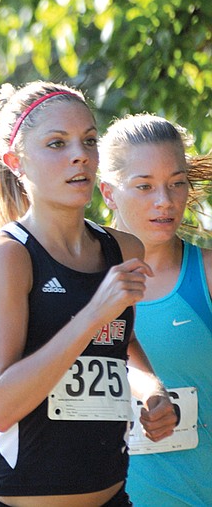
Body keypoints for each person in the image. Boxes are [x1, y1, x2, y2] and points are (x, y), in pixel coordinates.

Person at [0, 80, 176, 506]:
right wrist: (92, 314)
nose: (81, 155)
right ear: (15, 161)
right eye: (57, 143)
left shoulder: (124, 249)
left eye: (89, 141)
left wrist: (153, 391)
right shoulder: (8, 256)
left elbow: (120, 346)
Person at [97, 113, 212, 506]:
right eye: (144, 187)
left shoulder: (208, 275)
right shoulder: (72, 276)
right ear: (108, 192)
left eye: (177, 184)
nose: (165, 201)